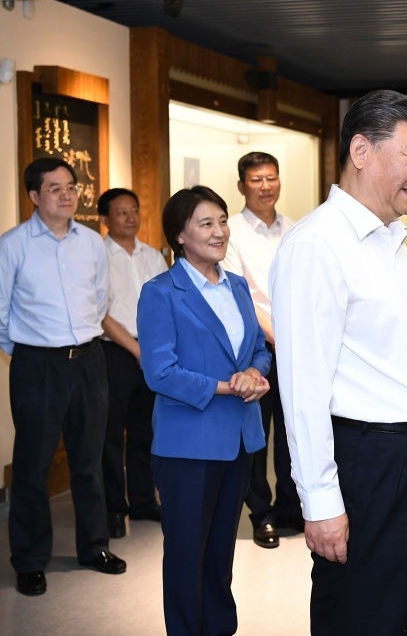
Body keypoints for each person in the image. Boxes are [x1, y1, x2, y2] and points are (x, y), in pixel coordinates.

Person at [271, 90, 407, 636]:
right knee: (360, 614)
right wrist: (320, 503)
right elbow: (302, 389)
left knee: (396, 614)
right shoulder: (317, 245)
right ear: (361, 151)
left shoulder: (387, 242)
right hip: (376, 464)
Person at [138, 186, 271, 635]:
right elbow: (160, 372)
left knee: (220, 553)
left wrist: (253, 372)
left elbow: (258, 348)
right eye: (206, 223)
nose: (220, 232)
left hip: (239, 439)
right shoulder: (161, 292)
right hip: (188, 445)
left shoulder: (237, 285)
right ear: (180, 235)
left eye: (223, 221)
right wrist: (227, 387)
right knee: (186, 554)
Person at [0, 158, 127, 597]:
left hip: (89, 360)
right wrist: (31, 353)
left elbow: (101, 299)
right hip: (38, 365)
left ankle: (94, 547)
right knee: (33, 465)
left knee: (89, 460)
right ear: (34, 196)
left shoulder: (91, 242)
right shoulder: (13, 246)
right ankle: (29, 560)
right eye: (55, 188)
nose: (67, 195)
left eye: (71, 186)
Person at [222, 151, 301, 549]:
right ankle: (261, 513)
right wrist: (278, 338)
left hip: (297, 348)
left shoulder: (295, 229)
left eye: (271, 178)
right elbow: (241, 296)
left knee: (294, 432)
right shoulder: (231, 231)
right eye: (256, 180)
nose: (265, 186)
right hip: (256, 349)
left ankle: (290, 506)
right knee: (257, 435)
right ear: (242, 186)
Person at [97, 187, 168, 538]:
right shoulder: (97, 256)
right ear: (105, 219)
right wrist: (136, 350)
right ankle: (114, 509)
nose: (130, 218)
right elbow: (99, 313)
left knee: (146, 430)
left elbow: (165, 305)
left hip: (151, 350)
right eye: (121, 212)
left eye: (134, 210)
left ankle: (143, 501)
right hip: (114, 352)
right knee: (111, 434)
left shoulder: (153, 256)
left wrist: (152, 349)